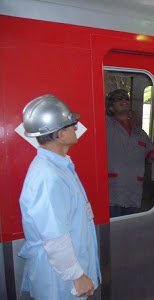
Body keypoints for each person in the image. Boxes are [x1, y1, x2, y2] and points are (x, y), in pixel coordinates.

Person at [18, 94, 101, 299]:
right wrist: (77, 275)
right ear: (59, 134)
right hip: (62, 281)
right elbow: (54, 237)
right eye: (71, 124)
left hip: (67, 274)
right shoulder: (49, 177)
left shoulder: (59, 166)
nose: (76, 127)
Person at [106, 89, 154, 217]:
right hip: (112, 192)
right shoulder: (105, 125)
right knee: (113, 233)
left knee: (128, 231)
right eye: (118, 99)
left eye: (126, 98)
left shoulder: (140, 133)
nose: (123, 100)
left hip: (133, 192)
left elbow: (153, 154)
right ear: (110, 107)